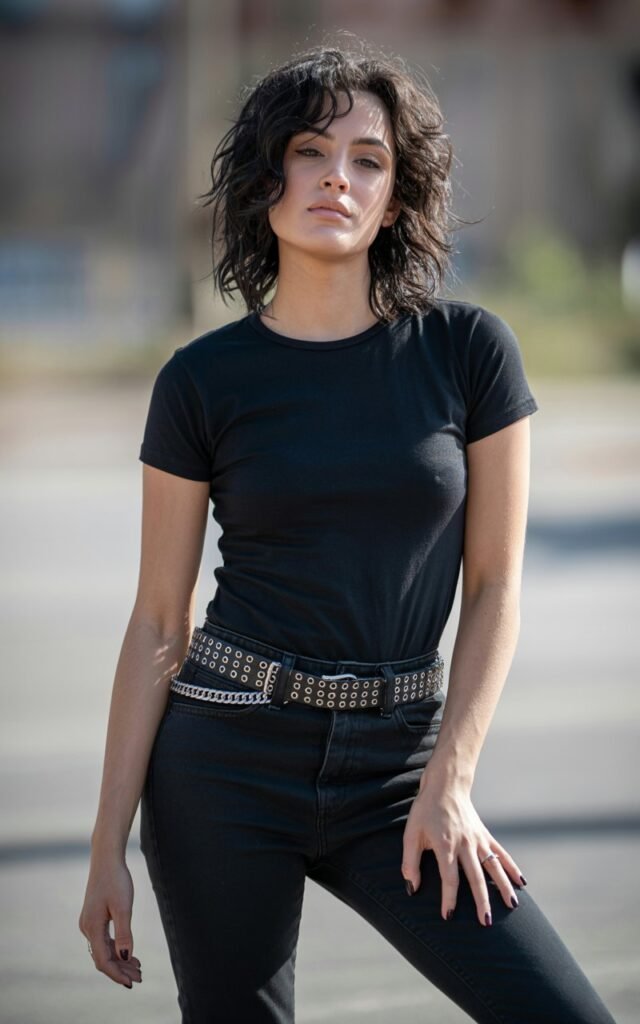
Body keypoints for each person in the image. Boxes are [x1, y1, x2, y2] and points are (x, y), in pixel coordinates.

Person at [78, 40, 618, 1024]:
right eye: (310, 152)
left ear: (395, 198)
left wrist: (451, 779)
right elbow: (159, 617)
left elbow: (495, 585)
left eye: (368, 160)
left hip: (401, 769)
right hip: (225, 762)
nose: (338, 177)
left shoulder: (469, 352)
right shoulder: (202, 381)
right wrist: (105, 843)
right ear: (266, 180)